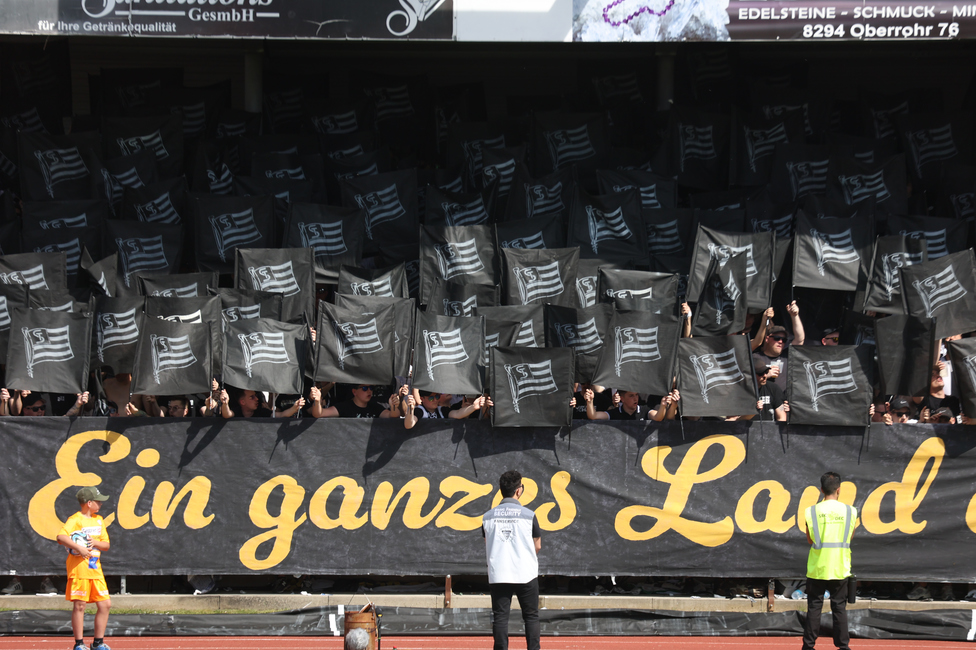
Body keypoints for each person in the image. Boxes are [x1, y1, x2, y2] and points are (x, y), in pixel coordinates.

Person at [481, 470, 541, 650]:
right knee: (530, 616)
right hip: (526, 573)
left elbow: (487, 542)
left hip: (499, 572)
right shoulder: (529, 515)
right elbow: (537, 545)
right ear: (518, 490)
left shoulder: (487, 517)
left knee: (500, 617)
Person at [802, 471, 856, 650]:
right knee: (839, 607)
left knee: (814, 608)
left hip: (818, 567)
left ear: (821, 489)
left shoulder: (811, 511)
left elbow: (810, 540)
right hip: (840, 566)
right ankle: (843, 646)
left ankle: (808, 646)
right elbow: (849, 537)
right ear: (839, 489)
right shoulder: (850, 511)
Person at [56, 487, 112, 650]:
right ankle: (79, 644)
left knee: (105, 605)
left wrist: (94, 543)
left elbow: (106, 545)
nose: (101, 504)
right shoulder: (75, 519)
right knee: (80, 605)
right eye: (98, 501)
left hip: (96, 570)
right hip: (79, 569)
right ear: (89, 503)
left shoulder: (99, 520)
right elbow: (61, 537)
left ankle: (98, 643)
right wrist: (78, 548)